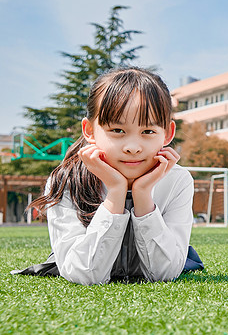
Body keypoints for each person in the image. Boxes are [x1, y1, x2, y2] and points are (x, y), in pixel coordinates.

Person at [15, 67, 201, 285]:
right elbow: (83, 274)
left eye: (148, 132)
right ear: (90, 131)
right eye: (117, 131)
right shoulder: (67, 180)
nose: (133, 147)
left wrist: (142, 195)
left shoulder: (178, 180)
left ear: (168, 133)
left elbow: (165, 273)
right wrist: (115, 193)